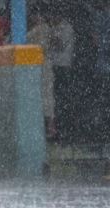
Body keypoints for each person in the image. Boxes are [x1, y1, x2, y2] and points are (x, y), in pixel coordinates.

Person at [27, 9, 56, 139]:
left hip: (42, 65)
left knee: (45, 97)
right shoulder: (47, 29)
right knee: (47, 97)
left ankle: (49, 127)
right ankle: (50, 127)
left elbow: (23, 39)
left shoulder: (41, 29)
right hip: (43, 65)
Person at [46, 14, 75, 142]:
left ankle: (65, 129)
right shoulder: (56, 28)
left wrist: (52, 35)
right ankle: (59, 129)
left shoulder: (66, 28)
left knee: (62, 97)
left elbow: (60, 44)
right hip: (55, 65)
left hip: (63, 65)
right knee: (56, 98)